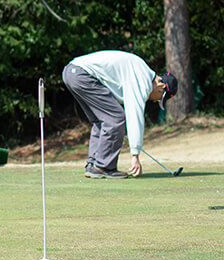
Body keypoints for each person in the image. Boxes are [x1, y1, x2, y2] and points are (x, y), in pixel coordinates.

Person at [62, 50, 178, 178]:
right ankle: (103, 166)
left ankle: (94, 165)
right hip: (82, 74)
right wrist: (135, 155)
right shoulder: (142, 79)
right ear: (161, 86)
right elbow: (134, 116)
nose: (156, 100)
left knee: (101, 120)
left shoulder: (140, 70)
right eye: (160, 97)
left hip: (71, 72)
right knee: (116, 117)